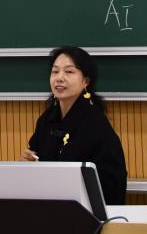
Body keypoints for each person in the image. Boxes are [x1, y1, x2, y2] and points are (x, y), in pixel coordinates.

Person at [22, 46, 128, 204]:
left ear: (86, 81)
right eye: (55, 71)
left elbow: (113, 183)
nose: (59, 78)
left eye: (69, 71)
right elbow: (36, 158)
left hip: (84, 208)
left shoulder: (96, 124)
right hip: (50, 204)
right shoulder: (47, 119)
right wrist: (30, 162)